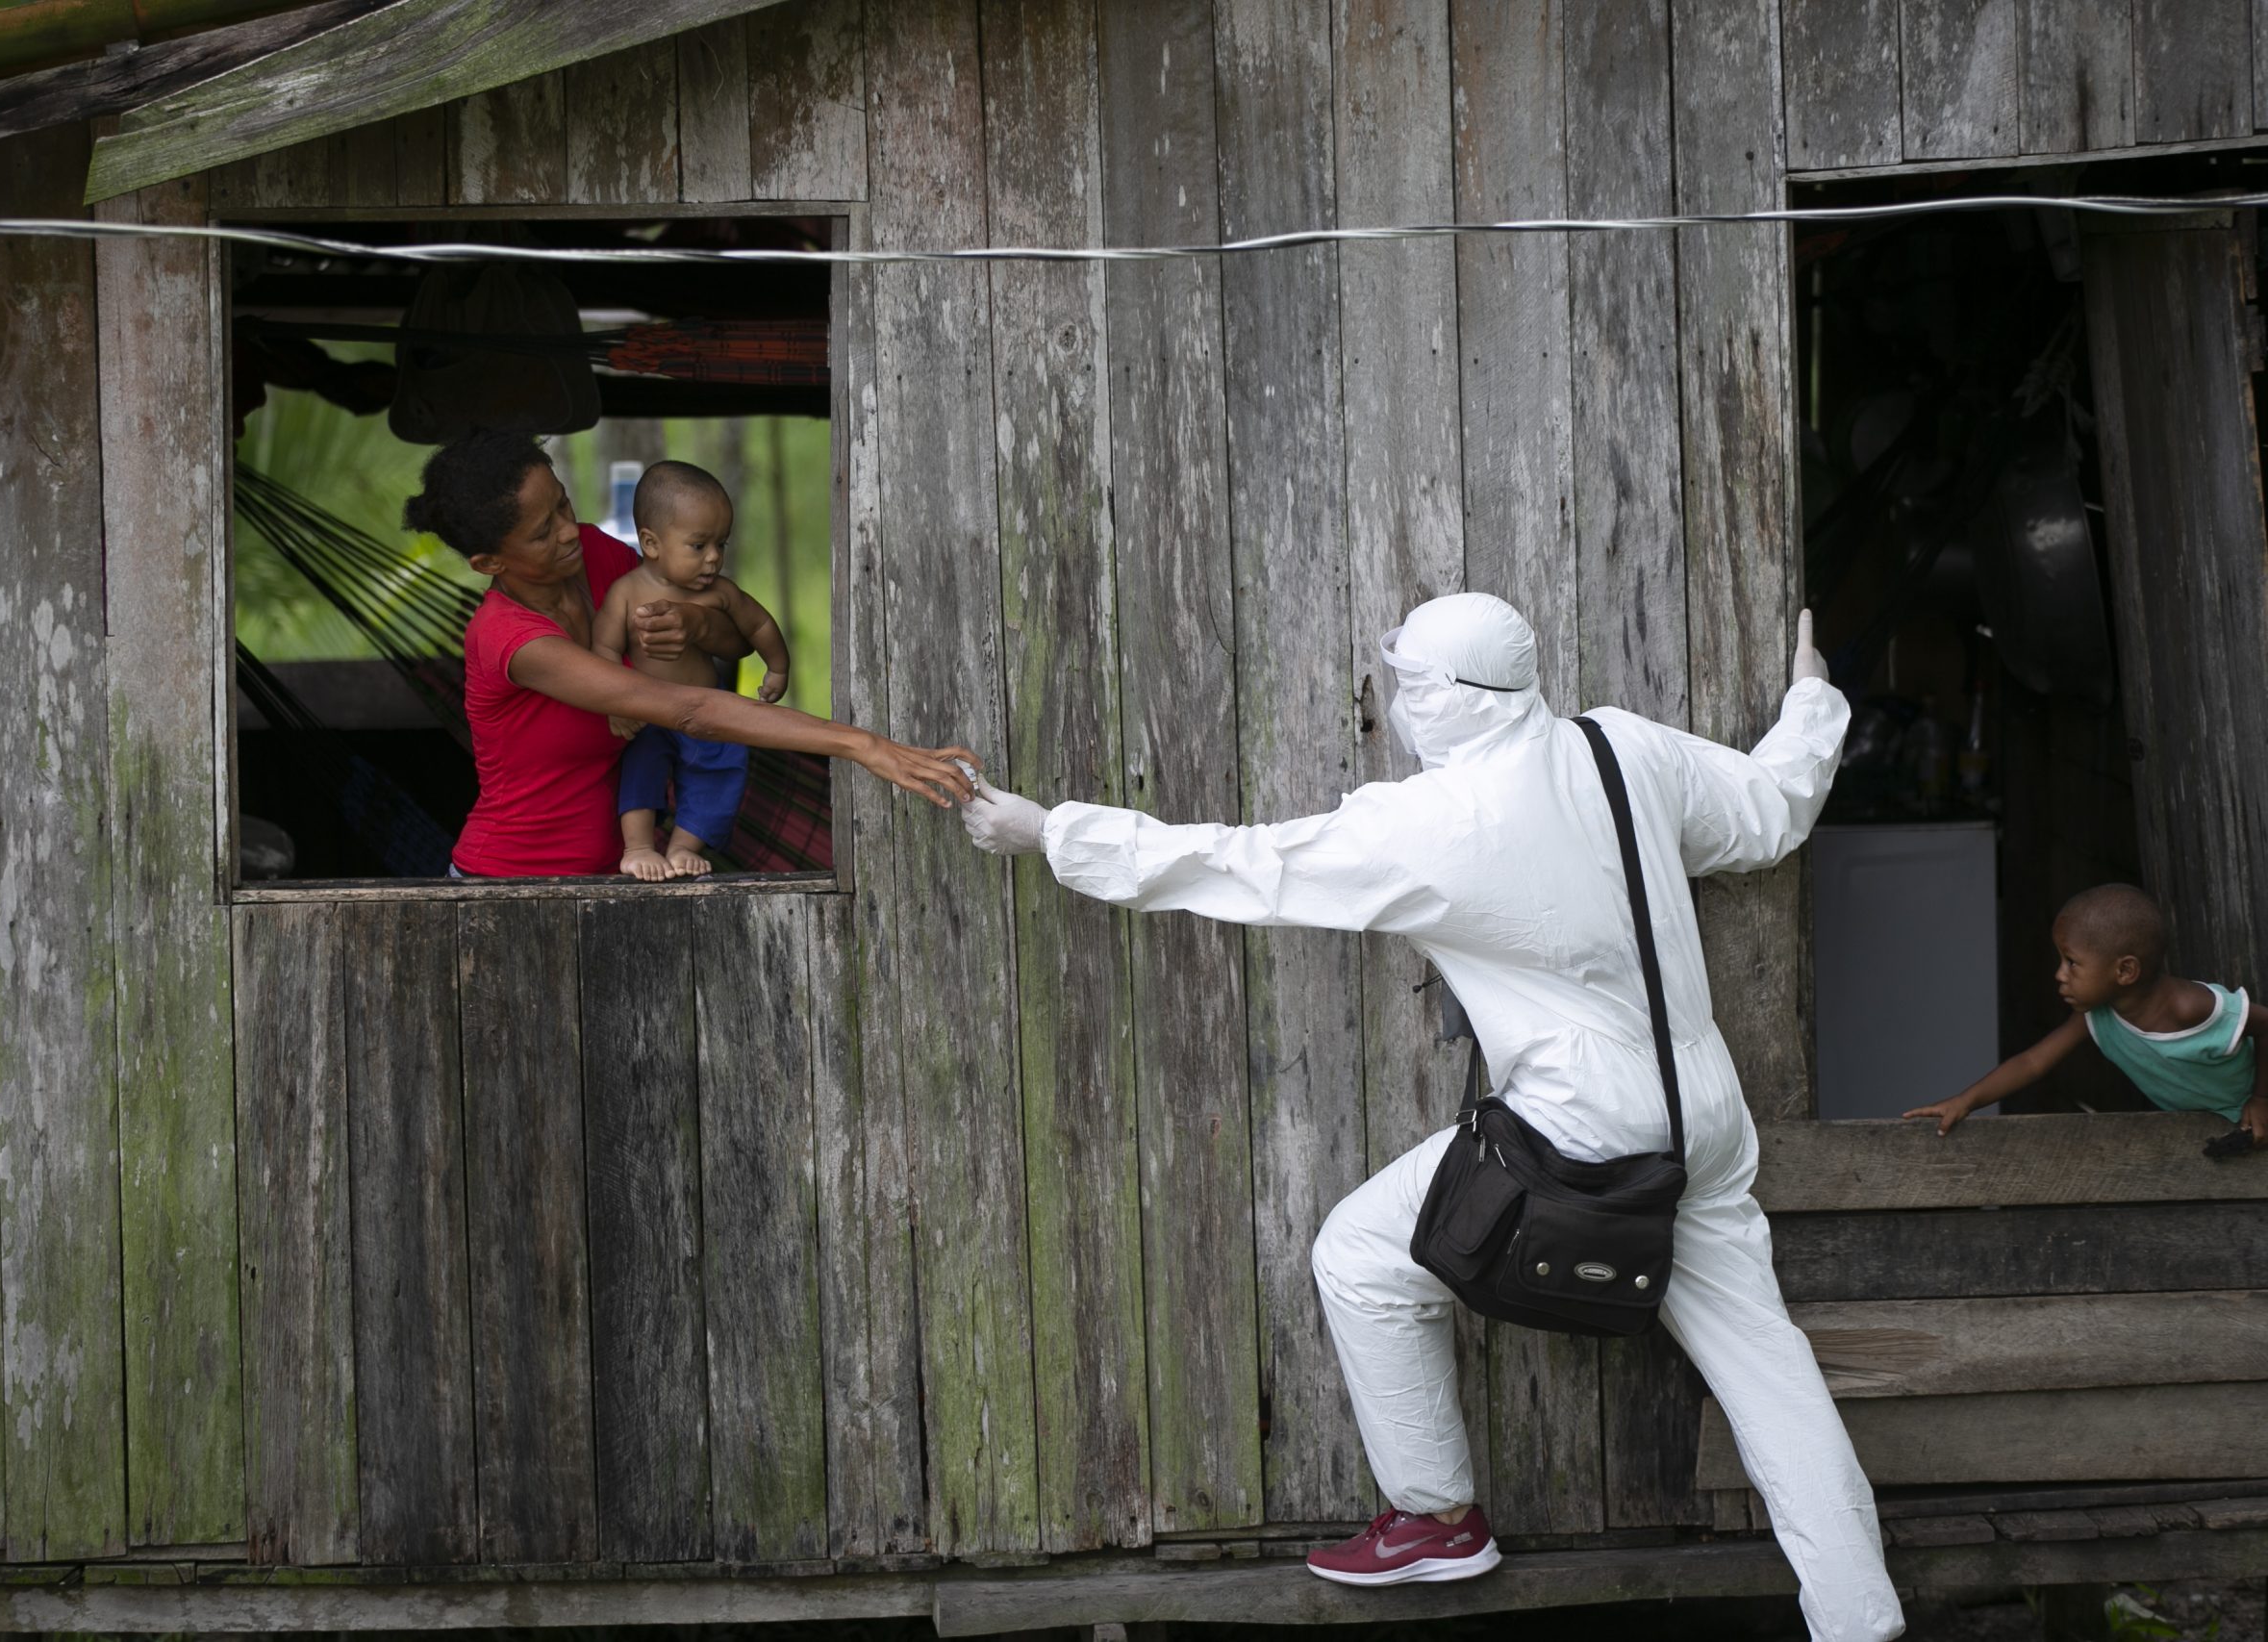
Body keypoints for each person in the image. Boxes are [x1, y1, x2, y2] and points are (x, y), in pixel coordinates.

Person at [959, 594, 1903, 1641]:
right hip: (1704, 1122)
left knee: (1360, 1255)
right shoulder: (1616, 748)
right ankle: (1860, 1621)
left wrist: (1049, 832)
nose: (1399, 704)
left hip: (1581, 1134)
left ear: (1449, 698)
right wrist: (1812, 700)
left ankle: (1436, 1517)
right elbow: (1772, 811)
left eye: (1409, 685)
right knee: (1768, 1372)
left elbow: (1240, 864)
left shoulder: (1432, 825)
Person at [403, 430, 975, 877]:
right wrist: (861, 744)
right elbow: (685, 709)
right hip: (513, 882)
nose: (567, 531)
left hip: (627, 870)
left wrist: (699, 625)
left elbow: (727, 652)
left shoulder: (599, 557)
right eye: (540, 533)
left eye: (562, 505)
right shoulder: (507, 637)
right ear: (489, 563)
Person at [1904, 883, 2268, 1146]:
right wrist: (1965, 1101)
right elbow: (2033, 1062)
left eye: (2072, 962)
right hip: (2217, 1128)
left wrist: (2261, 1099)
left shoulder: (2190, 1009)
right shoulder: (2099, 1016)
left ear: (2124, 971)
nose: (2059, 974)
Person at [592, 460, 792, 881]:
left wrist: (777, 667)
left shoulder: (721, 593)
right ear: (651, 543)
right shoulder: (626, 593)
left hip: (707, 712)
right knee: (639, 768)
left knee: (722, 770)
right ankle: (639, 847)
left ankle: (684, 845)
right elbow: (605, 647)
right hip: (649, 712)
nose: (714, 557)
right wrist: (616, 704)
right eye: (698, 546)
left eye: (722, 544)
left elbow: (758, 624)